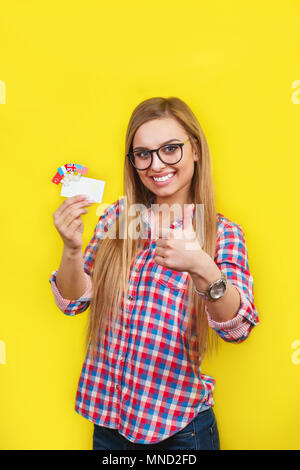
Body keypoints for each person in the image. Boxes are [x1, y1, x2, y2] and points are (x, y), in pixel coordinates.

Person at [49, 97, 260, 450]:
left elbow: (238, 328)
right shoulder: (121, 218)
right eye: (143, 153)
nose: (156, 164)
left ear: (195, 150)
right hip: (109, 427)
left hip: (179, 432)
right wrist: (71, 249)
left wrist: (202, 267)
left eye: (171, 149)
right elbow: (73, 301)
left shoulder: (220, 233)